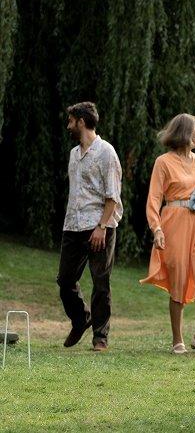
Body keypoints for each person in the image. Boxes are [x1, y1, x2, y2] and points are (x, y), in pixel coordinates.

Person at [140, 113, 195, 354]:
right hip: (173, 223)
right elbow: (154, 199)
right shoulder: (163, 162)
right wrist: (156, 228)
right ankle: (178, 339)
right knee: (178, 279)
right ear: (185, 132)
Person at [57, 101, 123, 352]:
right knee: (65, 280)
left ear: (81, 122)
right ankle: (81, 318)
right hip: (72, 226)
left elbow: (112, 196)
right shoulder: (74, 154)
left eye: (71, 121)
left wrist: (102, 227)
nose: (68, 126)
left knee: (100, 282)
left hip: (99, 226)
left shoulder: (106, 152)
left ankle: (100, 338)